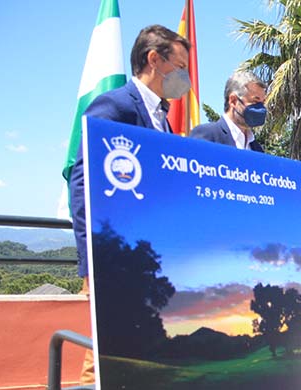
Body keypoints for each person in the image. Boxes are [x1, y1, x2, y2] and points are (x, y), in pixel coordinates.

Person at [67, 24, 190, 384]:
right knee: (105, 352)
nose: (184, 76)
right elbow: (82, 182)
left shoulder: (163, 119)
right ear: (154, 59)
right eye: (180, 66)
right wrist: (91, 259)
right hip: (115, 259)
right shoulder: (115, 105)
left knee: (138, 350)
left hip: (149, 259)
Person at [189, 70, 267, 152]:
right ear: (233, 101)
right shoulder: (208, 135)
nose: (260, 108)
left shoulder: (258, 150)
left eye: (262, 103)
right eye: (255, 101)